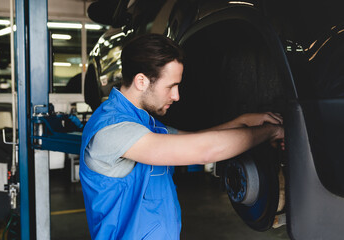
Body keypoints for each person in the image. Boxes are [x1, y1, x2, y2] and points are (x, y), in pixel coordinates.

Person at [79, 33, 284, 240]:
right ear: (141, 81)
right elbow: (204, 151)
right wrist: (269, 132)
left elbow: (193, 139)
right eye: (170, 86)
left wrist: (243, 121)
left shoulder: (143, 123)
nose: (176, 96)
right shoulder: (112, 130)